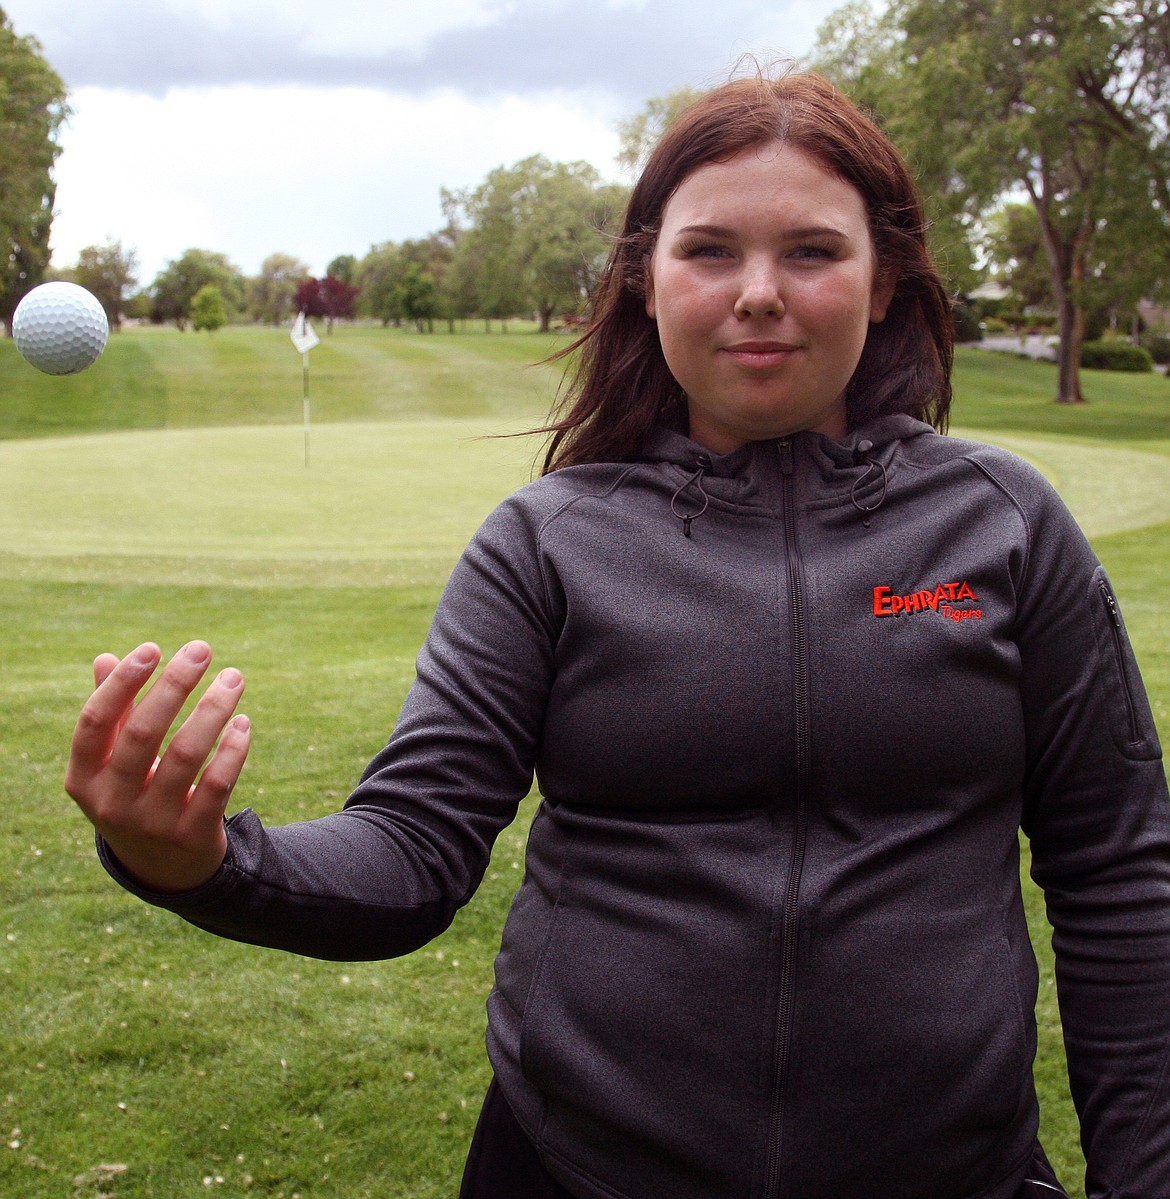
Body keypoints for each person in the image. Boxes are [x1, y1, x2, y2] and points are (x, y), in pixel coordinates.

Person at [65, 71, 1170, 1199]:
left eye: (810, 251)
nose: (757, 293)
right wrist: (205, 860)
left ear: (884, 282)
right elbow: (413, 844)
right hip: (575, 1171)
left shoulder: (1005, 522)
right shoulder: (549, 544)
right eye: (709, 251)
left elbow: (1122, 872)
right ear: (645, 279)